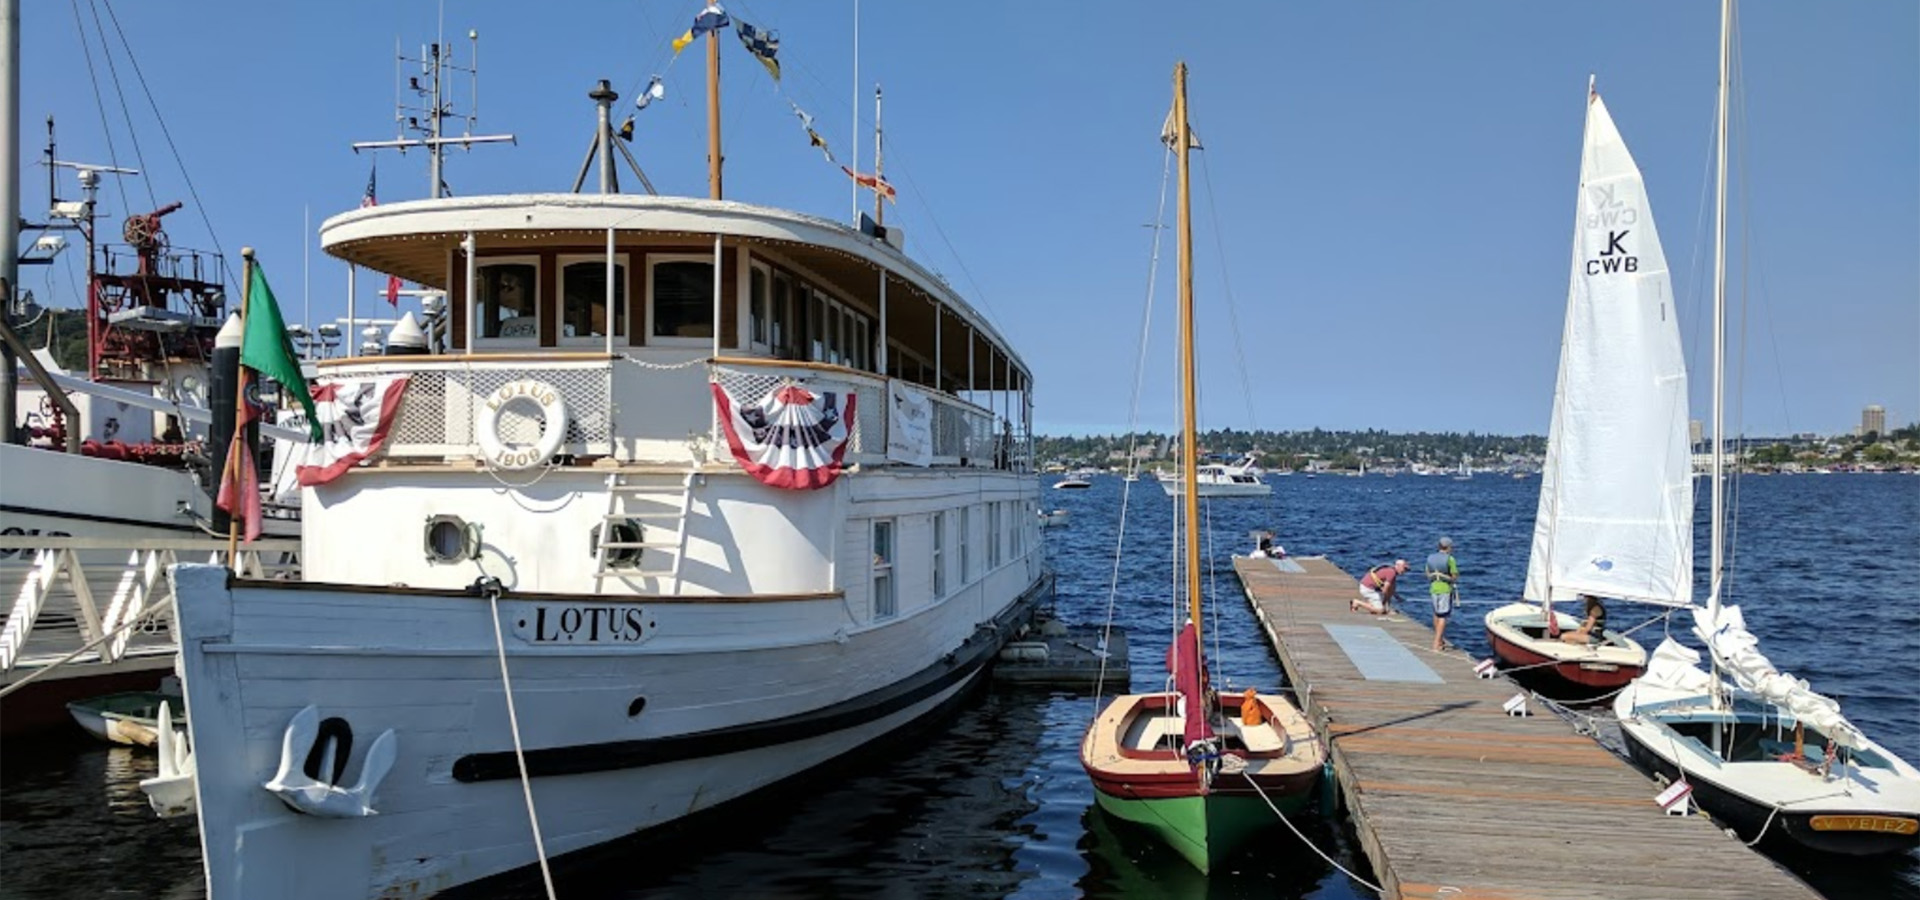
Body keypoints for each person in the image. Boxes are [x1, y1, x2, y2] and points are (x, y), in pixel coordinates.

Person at [1425, 536, 1459, 651]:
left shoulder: (1430, 558)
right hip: (1445, 589)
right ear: (1448, 547)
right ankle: (1436, 642)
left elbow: (1427, 573)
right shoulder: (1450, 559)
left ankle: (1439, 639)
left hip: (1434, 588)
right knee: (1443, 616)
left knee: (1436, 613)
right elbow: (1454, 576)